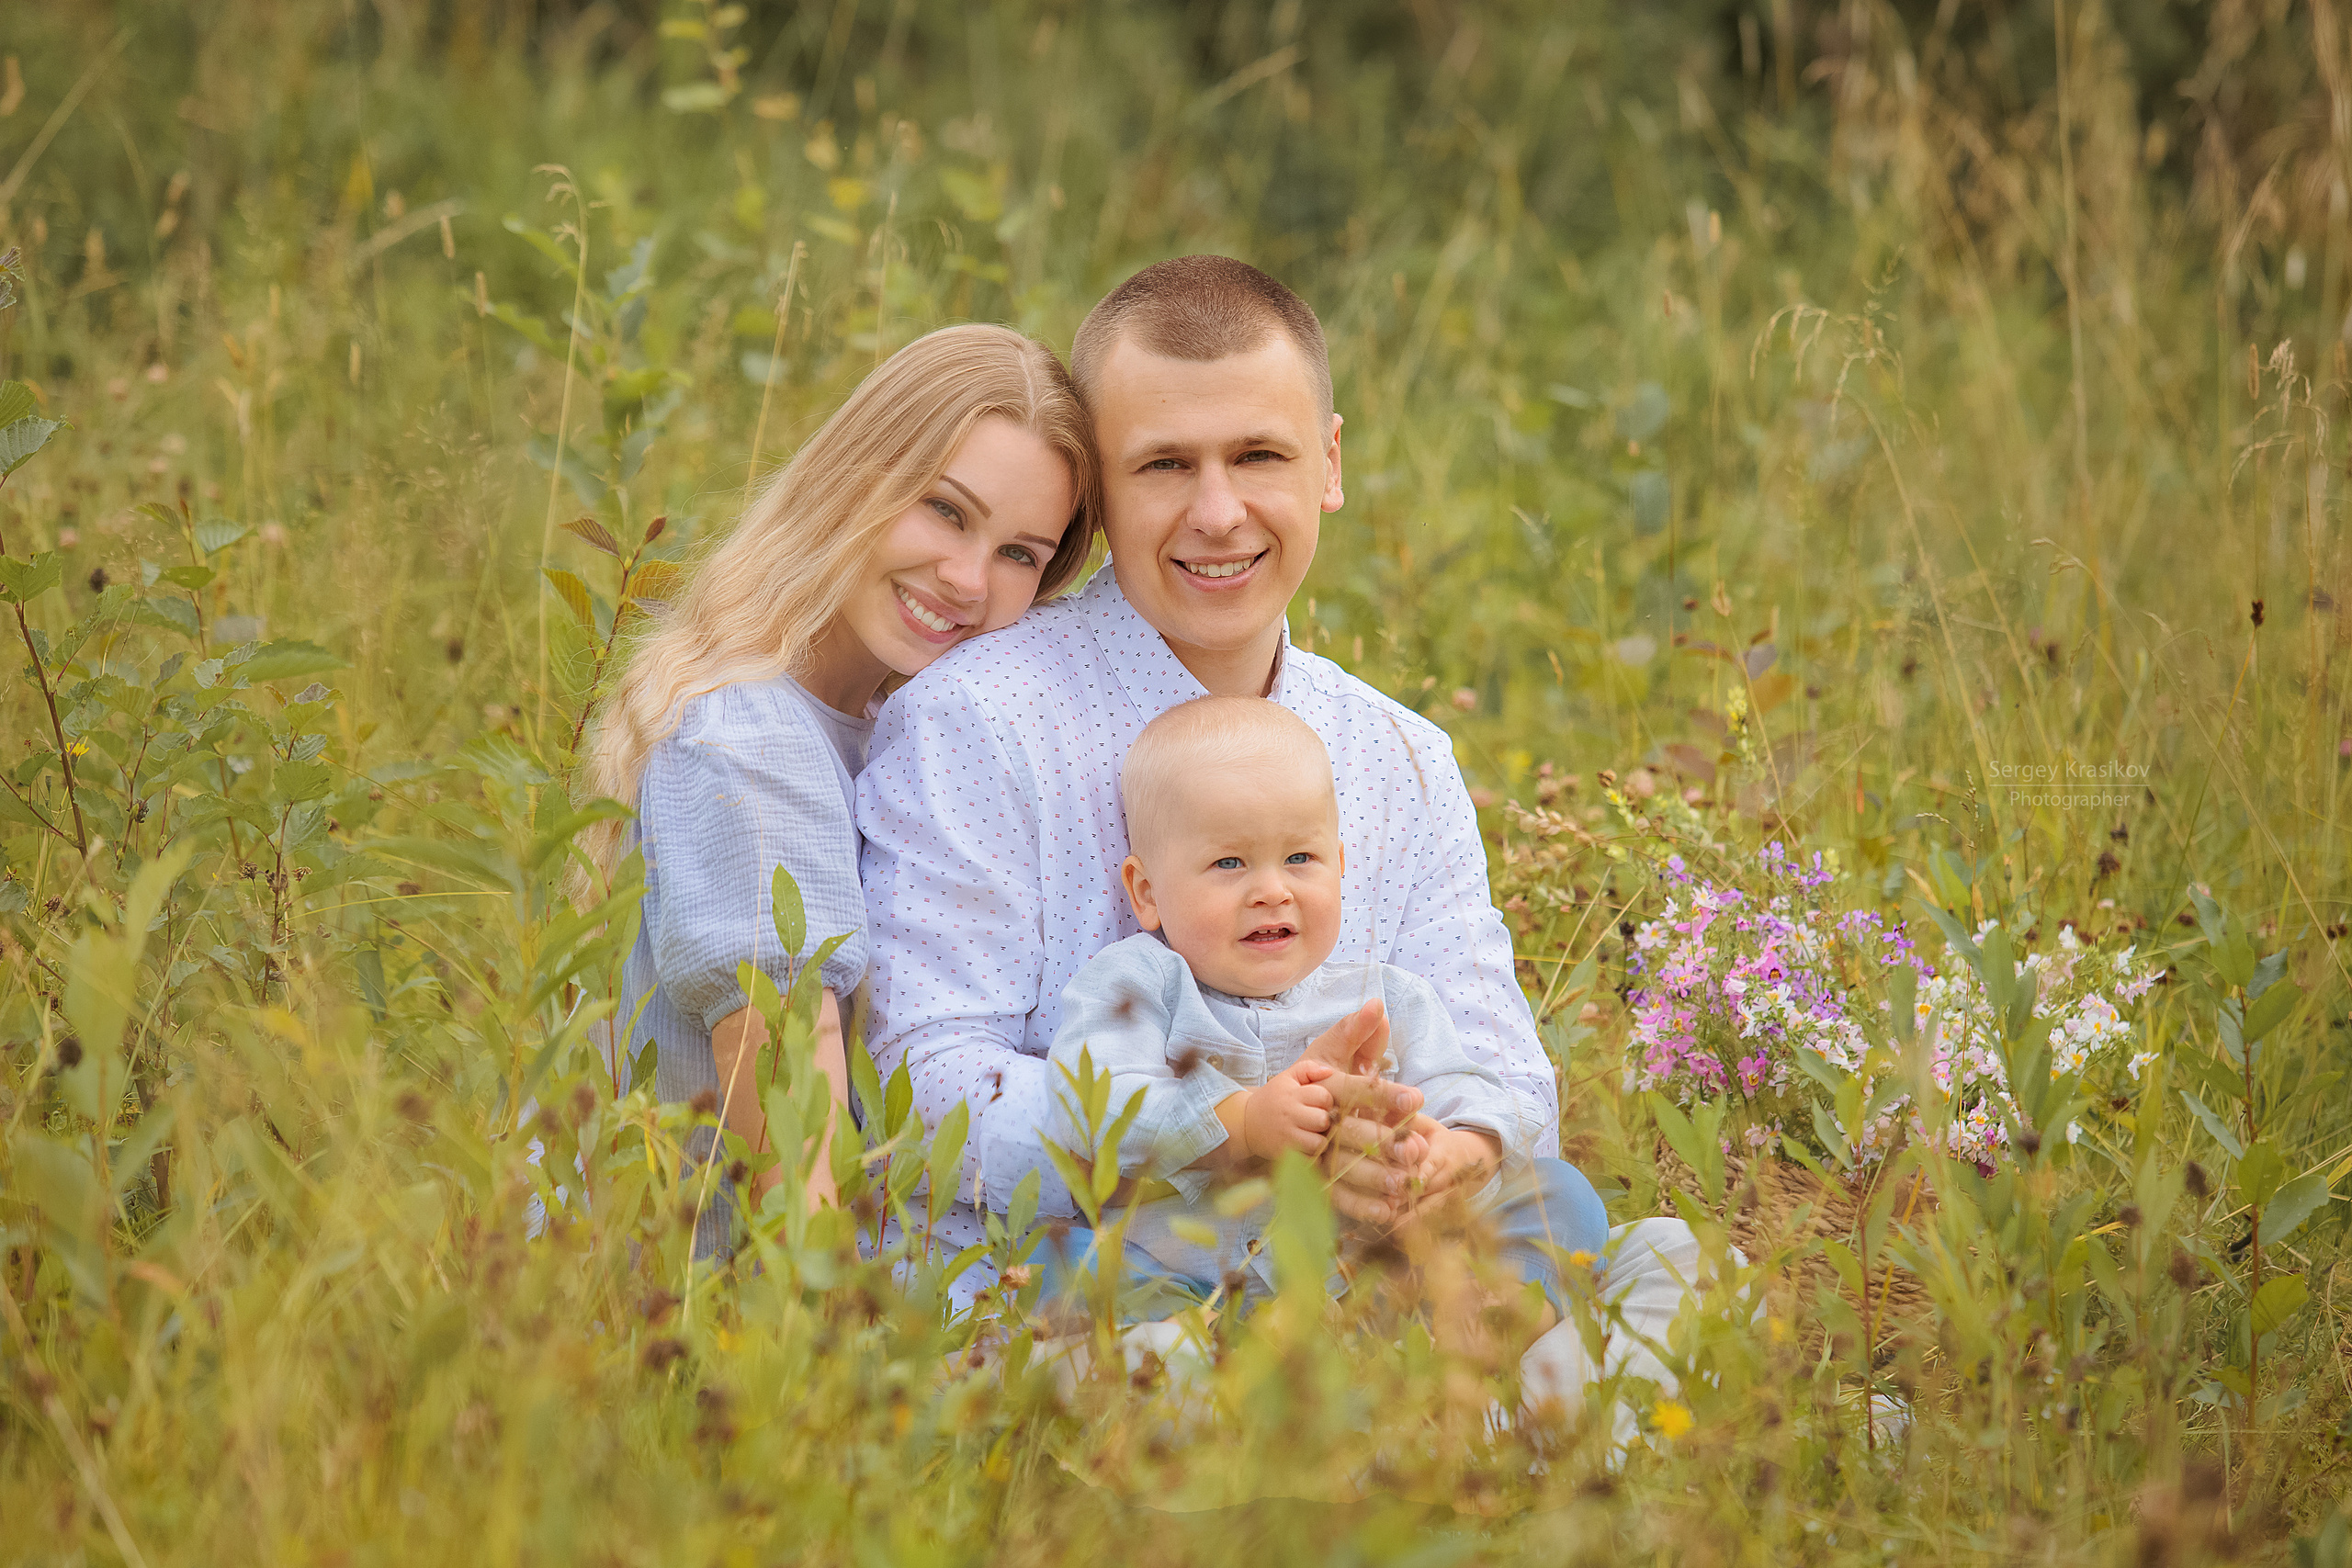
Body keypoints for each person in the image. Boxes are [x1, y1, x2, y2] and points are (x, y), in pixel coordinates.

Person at [857, 256, 1559, 1302]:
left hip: (1360, 1281)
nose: (1220, 513)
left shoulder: (1399, 755)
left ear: (1327, 463)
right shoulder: (978, 719)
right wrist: (1215, 1139)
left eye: (1259, 455)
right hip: (1072, 1293)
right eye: (1164, 467)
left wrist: (1443, 1154)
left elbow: (1508, 1070)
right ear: (1097, 491)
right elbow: (927, 1086)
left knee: (1615, 1256)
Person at [584, 323, 1098, 1257]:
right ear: (854, 478)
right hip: (703, 1319)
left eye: (1021, 553)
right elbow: (785, 1104)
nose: (967, 578)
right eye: (945, 511)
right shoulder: (751, 740)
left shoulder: (891, 730)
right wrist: (837, 1369)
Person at [1037, 697, 1608, 1337]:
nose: (1272, 889)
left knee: (1559, 1193)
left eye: (1300, 859)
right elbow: (1095, 1108)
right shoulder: (1136, 983)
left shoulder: (1383, 997)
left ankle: (1483, 1328)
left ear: (1341, 864)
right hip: (1195, 1284)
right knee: (1050, 1263)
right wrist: (1244, 1124)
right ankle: (1206, 1368)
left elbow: (1474, 1087)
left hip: (1366, 1278)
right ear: (1146, 891)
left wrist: (1456, 1150)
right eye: (1229, 862)